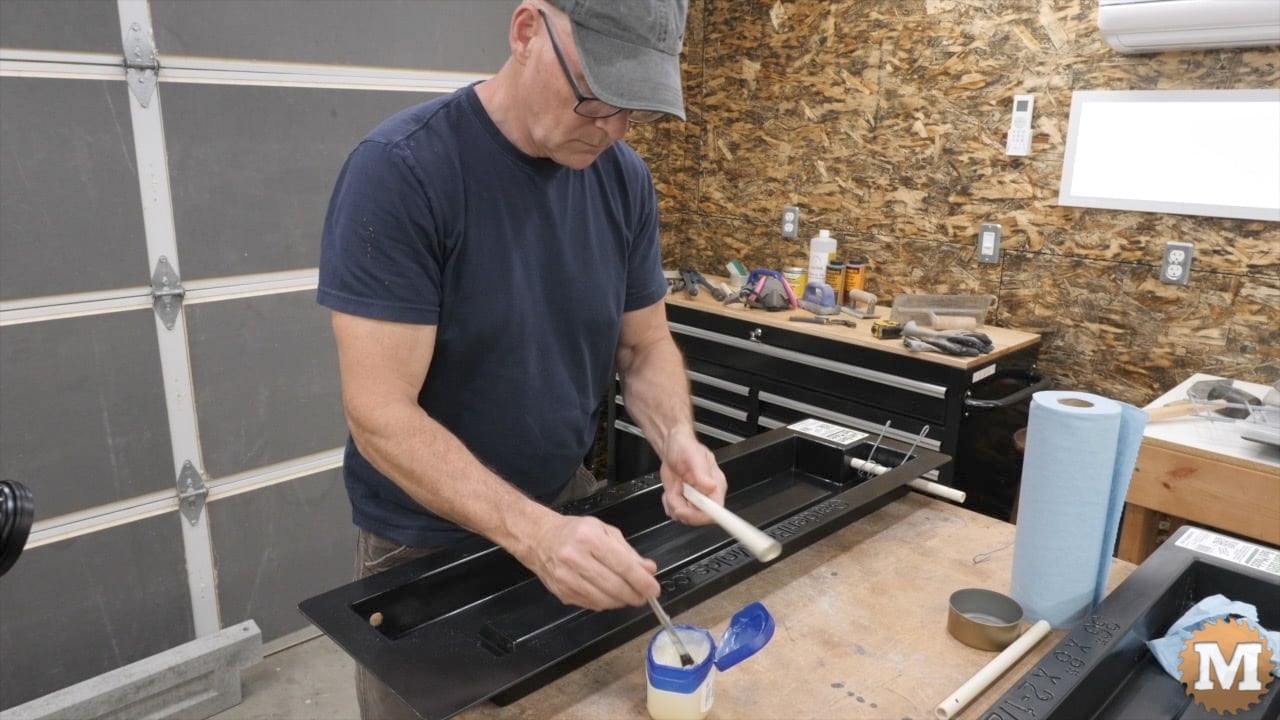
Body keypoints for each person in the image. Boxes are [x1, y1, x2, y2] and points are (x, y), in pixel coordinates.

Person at [317, 0, 727, 717]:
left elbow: (644, 343)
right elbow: (378, 412)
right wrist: (533, 534)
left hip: (567, 505)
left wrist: (677, 439)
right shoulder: (404, 172)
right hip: (425, 544)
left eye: (635, 109)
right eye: (597, 98)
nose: (615, 130)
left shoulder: (624, 179)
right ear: (527, 31)